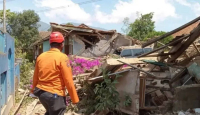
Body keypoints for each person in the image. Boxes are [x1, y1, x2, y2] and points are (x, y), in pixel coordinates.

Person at [30, 32, 79, 115]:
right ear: (62, 44)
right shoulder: (62, 57)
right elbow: (68, 80)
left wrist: (32, 91)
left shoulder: (41, 56)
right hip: (55, 95)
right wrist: (75, 99)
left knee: (49, 112)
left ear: (50, 44)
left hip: (42, 94)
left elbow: (35, 77)